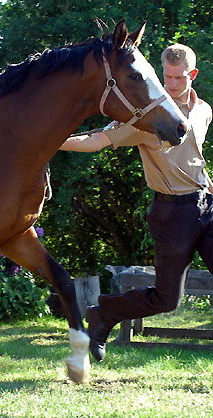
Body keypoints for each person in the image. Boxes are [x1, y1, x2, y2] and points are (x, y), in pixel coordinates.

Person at [60, 44, 213, 361]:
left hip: (206, 205)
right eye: (166, 77)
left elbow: (194, 157)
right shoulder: (147, 118)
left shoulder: (204, 111)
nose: (171, 84)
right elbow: (97, 140)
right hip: (172, 215)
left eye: (178, 78)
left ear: (192, 75)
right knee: (167, 300)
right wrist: (50, 140)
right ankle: (103, 312)